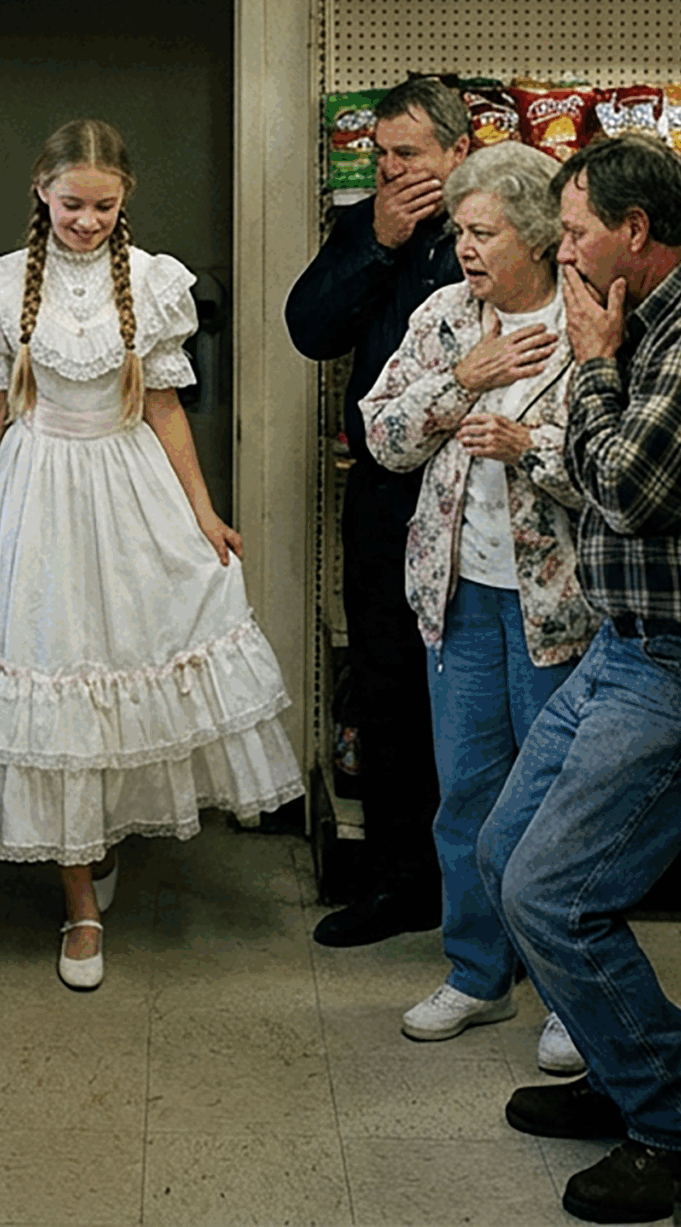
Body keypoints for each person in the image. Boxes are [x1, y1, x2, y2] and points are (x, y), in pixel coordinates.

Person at [0, 118, 303, 991]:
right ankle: (80, 904)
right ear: (41, 193)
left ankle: (97, 841)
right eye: (70, 204)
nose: (86, 220)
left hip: (130, 488)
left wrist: (205, 513)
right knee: (54, 671)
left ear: (124, 199)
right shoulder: (2, 282)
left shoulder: (152, 283)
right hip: (39, 493)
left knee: (128, 663)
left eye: (102, 205)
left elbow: (167, 408)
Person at [486, 132, 681, 1226]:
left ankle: (670, 1124)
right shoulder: (649, 305)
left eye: (581, 227)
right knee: (507, 854)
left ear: (634, 232)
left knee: (556, 893)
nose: (566, 247)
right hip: (621, 641)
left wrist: (596, 365)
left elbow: (628, 486)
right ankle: (618, 1066)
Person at [359, 143, 597, 1075]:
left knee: (557, 811)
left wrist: (528, 442)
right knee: (464, 796)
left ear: (538, 236)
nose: (462, 246)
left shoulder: (591, 322)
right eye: (458, 229)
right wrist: (466, 376)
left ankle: (573, 997)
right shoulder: (447, 317)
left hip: (563, 608)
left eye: (481, 230)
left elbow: (620, 474)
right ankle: (477, 973)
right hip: (454, 598)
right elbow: (381, 435)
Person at [284, 75, 472, 946]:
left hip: (478, 493)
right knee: (388, 689)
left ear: (457, 153)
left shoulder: (499, 225)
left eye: (410, 155)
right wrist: (379, 244)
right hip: (385, 495)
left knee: (474, 699)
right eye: (381, 155)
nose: (392, 170)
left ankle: (480, 896)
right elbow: (309, 326)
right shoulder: (365, 225)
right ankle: (399, 884)